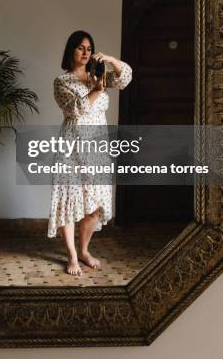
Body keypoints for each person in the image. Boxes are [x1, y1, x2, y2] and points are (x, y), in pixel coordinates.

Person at [48, 30, 132, 276]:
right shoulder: (61, 82)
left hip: (97, 147)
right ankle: (72, 256)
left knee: (94, 205)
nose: (85, 52)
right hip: (72, 146)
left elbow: (126, 78)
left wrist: (111, 60)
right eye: (80, 48)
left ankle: (84, 250)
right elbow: (75, 110)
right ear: (71, 51)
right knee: (68, 201)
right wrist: (96, 90)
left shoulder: (99, 74)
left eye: (89, 48)